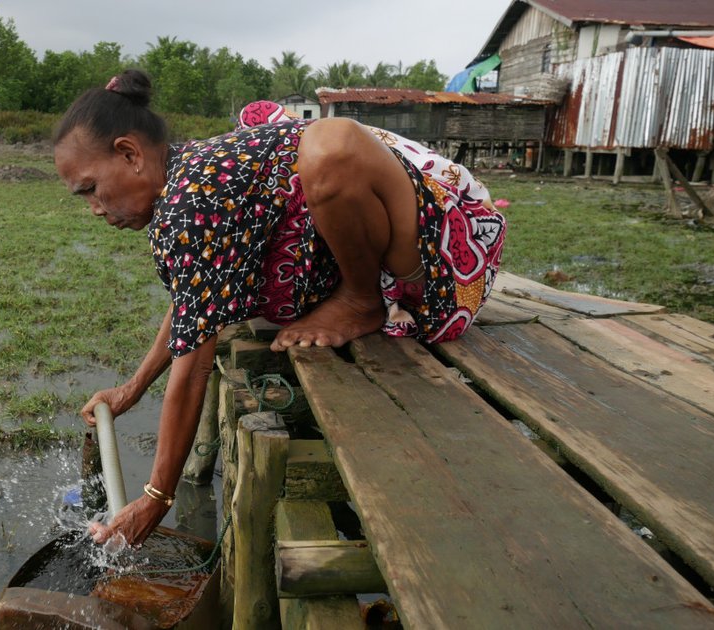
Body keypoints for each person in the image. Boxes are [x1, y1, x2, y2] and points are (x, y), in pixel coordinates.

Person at [53, 70, 505, 546]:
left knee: (330, 144)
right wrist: (132, 388)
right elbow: (193, 306)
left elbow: (193, 367)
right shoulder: (179, 191)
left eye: (89, 189)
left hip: (445, 264)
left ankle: (361, 300)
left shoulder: (192, 196)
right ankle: (359, 293)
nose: (94, 208)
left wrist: (156, 497)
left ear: (129, 154)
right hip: (405, 260)